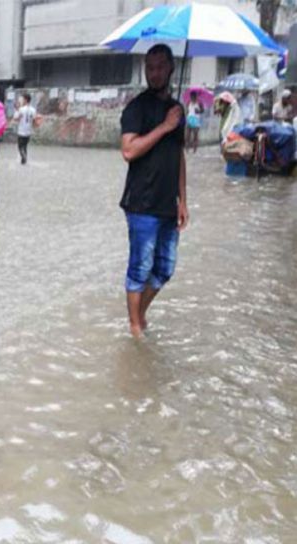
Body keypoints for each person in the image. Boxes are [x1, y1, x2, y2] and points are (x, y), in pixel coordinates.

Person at [119, 43, 189, 338]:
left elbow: (179, 155)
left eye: (160, 66)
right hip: (141, 203)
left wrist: (183, 200)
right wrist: (163, 127)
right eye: (150, 67)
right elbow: (129, 151)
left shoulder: (178, 110)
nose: (155, 73)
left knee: (164, 269)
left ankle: (139, 314)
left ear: (172, 68)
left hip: (167, 204)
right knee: (140, 269)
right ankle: (135, 327)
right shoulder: (136, 108)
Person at [12, 92, 37, 165]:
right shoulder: (33, 109)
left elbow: (16, 118)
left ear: (26, 100)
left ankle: (24, 157)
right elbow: (34, 120)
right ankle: (23, 161)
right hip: (28, 131)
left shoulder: (21, 109)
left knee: (20, 146)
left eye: (23, 99)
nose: (22, 101)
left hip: (21, 131)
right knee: (25, 146)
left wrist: (17, 110)